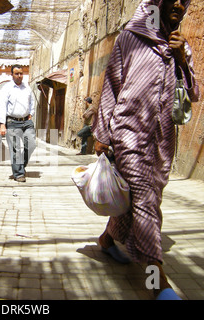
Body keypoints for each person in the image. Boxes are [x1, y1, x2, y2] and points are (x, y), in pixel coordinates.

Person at [91, 0, 199, 300]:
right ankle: (156, 279)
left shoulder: (181, 47)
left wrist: (180, 57)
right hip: (128, 133)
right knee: (146, 200)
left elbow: (193, 94)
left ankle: (107, 239)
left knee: (141, 198)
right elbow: (112, 83)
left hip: (163, 138)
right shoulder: (130, 37)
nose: (178, 3)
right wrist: (102, 134)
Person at [0, 64, 36, 182]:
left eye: (21, 73)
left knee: (31, 144)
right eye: (16, 74)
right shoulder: (7, 88)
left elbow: (32, 101)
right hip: (12, 122)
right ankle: (18, 173)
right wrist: (2, 124)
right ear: (12, 75)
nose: (19, 76)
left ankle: (20, 166)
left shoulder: (27, 87)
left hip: (27, 122)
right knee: (15, 149)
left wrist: (31, 113)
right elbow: (2, 106)